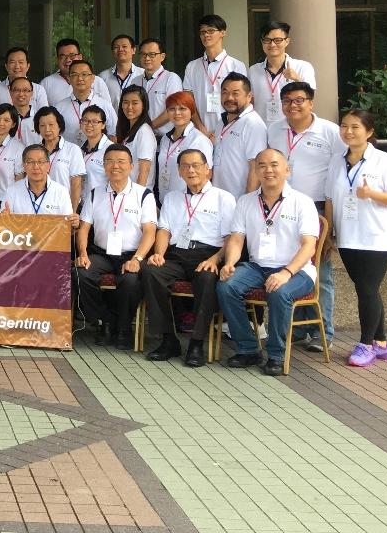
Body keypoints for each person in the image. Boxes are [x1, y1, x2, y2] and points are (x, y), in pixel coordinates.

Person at [217, 148, 320, 376]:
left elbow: (308, 246)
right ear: (256, 170)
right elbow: (236, 238)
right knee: (227, 286)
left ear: (287, 169)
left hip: (297, 270)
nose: (268, 170)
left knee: (279, 292)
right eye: (261, 165)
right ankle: (248, 348)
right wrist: (230, 263)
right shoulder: (245, 201)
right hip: (256, 266)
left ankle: (276, 355)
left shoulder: (302, 202)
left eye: (274, 164)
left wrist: (286, 272)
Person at [267, 81, 344, 350]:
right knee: (288, 263)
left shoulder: (330, 132)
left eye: (299, 100)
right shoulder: (275, 130)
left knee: (319, 271)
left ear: (311, 102)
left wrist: (331, 224)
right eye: (287, 100)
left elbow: (337, 177)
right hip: (281, 206)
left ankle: (324, 332)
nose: (293, 105)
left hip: (317, 207)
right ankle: (298, 329)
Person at [141, 149, 235, 367]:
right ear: (179, 171)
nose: (190, 170)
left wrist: (216, 259)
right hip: (177, 253)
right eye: (185, 166)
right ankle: (168, 339)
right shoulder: (173, 197)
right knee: (151, 271)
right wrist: (159, 254)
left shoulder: (224, 198)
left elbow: (231, 237)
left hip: (210, 254)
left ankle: (196, 343)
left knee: (207, 278)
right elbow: (164, 231)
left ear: (207, 169)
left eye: (195, 165)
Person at [327, 110, 387, 367]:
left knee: (367, 289)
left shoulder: (382, 161)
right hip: (348, 237)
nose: (348, 131)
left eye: (355, 127)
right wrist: (329, 234)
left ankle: (366, 344)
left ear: (369, 132)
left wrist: (372, 194)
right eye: (344, 126)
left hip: (376, 236)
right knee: (366, 289)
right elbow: (329, 199)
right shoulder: (337, 161)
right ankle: (382, 342)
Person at [75, 144, 158, 349]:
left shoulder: (144, 195)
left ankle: (123, 327)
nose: (115, 166)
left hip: (132, 254)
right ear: (104, 166)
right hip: (102, 254)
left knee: (130, 282)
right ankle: (105, 320)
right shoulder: (95, 194)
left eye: (121, 161)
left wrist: (137, 259)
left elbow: (150, 232)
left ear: (131, 166)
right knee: (80, 273)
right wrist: (83, 254)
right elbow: (84, 228)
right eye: (110, 161)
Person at [182, 15, 247, 135]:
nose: (206, 35)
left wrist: (227, 128)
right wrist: (200, 128)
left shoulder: (236, 65)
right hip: (200, 131)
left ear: (223, 33)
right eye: (202, 32)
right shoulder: (192, 66)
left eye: (211, 31)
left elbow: (242, 101)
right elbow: (188, 100)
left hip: (230, 130)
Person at [249, 20, 318, 125]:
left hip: (291, 128)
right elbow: (250, 102)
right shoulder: (253, 70)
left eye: (277, 40)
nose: (272, 44)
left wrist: (297, 80)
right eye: (267, 40)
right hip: (261, 129)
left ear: (287, 41)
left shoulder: (303, 67)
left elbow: (310, 97)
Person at [211, 73, 267, 197]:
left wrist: (246, 203)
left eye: (236, 93)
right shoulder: (221, 122)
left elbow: (256, 167)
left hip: (239, 200)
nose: (229, 98)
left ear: (249, 97)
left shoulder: (253, 124)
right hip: (219, 198)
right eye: (225, 93)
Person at [1, 144, 77, 224]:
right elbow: (3, 224)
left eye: (40, 162)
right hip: (21, 235)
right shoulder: (12, 190)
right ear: (24, 166)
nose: (36, 167)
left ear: (48, 165)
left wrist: (74, 224)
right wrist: (4, 219)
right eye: (30, 162)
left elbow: (67, 227)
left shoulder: (61, 191)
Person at [155, 92, 212, 198]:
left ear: (191, 111)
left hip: (187, 202)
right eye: (172, 109)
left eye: (182, 108)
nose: (177, 113)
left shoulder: (199, 140)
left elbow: (207, 174)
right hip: (165, 200)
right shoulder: (165, 139)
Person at [33, 106, 85, 212]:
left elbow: (76, 184)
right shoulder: (34, 151)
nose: (47, 129)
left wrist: (72, 212)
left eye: (51, 125)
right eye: (42, 125)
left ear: (59, 125)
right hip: (39, 208)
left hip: (63, 207)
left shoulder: (72, 149)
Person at [55, 60, 116, 145]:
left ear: (93, 78)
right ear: (69, 78)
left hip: (97, 156)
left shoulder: (104, 105)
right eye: (75, 75)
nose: (80, 78)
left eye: (84, 74)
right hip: (69, 157)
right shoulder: (59, 108)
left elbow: (113, 135)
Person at [41, 38, 113, 106]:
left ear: (80, 57)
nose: (68, 60)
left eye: (72, 56)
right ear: (57, 59)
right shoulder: (46, 84)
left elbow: (107, 110)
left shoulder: (96, 81)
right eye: (63, 57)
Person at [138, 37, 183, 129]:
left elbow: (173, 108)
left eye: (152, 54)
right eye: (143, 54)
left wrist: (149, 128)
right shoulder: (135, 81)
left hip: (165, 137)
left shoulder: (171, 78)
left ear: (162, 57)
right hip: (141, 136)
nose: (147, 58)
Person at [115, 86, 156, 187]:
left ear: (143, 105)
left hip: (137, 194)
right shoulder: (128, 131)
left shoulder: (144, 132)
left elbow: (144, 171)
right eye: (125, 102)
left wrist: (137, 198)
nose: (129, 107)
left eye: (135, 103)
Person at [0, 47, 49, 113]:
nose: (17, 66)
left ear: (28, 66)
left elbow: (44, 116)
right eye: (12, 62)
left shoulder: (38, 90)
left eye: (21, 62)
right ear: (6, 66)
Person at [0, 105, 24, 209]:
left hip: (5, 201)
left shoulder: (18, 148)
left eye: (6, 120)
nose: (0, 123)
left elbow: (19, 181)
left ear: (13, 124)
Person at [99, 35, 144, 111]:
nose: (120, 49)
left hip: (137, 122)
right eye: (116, 47)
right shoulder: (103, 77)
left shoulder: (143, 74)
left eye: (124, 46)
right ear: (113, 52)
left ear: (133, 50)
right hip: (112, 122)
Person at [79, 105, 112, 197]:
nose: (89, 125)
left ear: (103, 125)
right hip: (83, 204)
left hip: (102, 203)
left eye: (94, 121)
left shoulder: (111, 150)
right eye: (85, 120)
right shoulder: (79, 150)